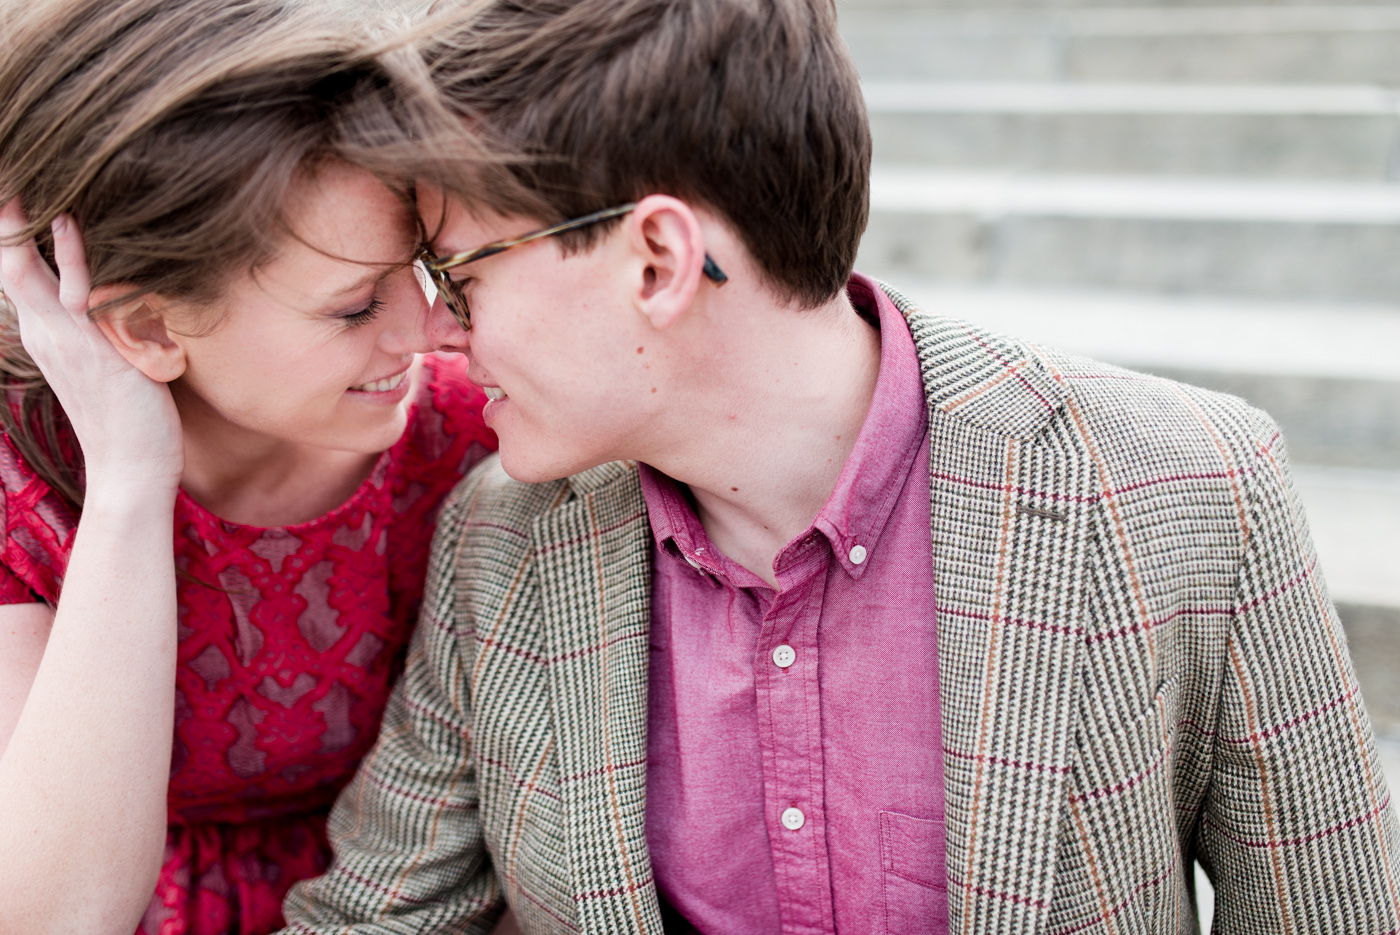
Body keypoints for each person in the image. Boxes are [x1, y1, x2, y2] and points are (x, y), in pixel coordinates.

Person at [282, 0, 1400, 932]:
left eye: (458, 273)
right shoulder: (503, 529)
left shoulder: (1188, 485)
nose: (435, 334)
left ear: (657, 259)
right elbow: (373, 915)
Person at [0, 0, 503, 931]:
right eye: (356, 307)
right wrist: (126, 484)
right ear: (149, 326)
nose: (433, 329)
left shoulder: (481, 441)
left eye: (426, 268)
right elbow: (54, 914)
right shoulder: (20, 481)